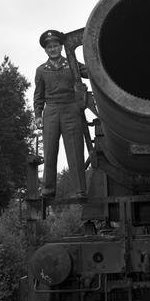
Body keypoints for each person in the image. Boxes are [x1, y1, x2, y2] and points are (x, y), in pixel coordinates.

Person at [33, 30, 89, 198]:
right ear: (45, 50)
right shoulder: (41, 70)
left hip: (71, 109)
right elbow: (38, 96)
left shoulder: (71, 64)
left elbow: (89, 71)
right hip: (50, 112)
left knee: (75, 149)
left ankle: (80, 190)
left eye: (56, 46)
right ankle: (48, 190)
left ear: (61, 47)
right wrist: (37, 115)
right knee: (49, 150)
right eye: (49, 47)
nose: (53, 49)